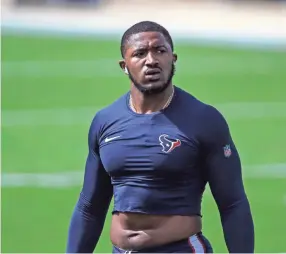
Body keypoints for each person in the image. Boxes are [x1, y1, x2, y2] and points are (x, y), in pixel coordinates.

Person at [66, 20, 254, 253]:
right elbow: (90, 207)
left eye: (160, 51)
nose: (151, 60)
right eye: (140, 53)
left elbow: (232, 203)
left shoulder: (204, 119)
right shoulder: (105, 121)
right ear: (124, 65)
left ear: (173, 59)